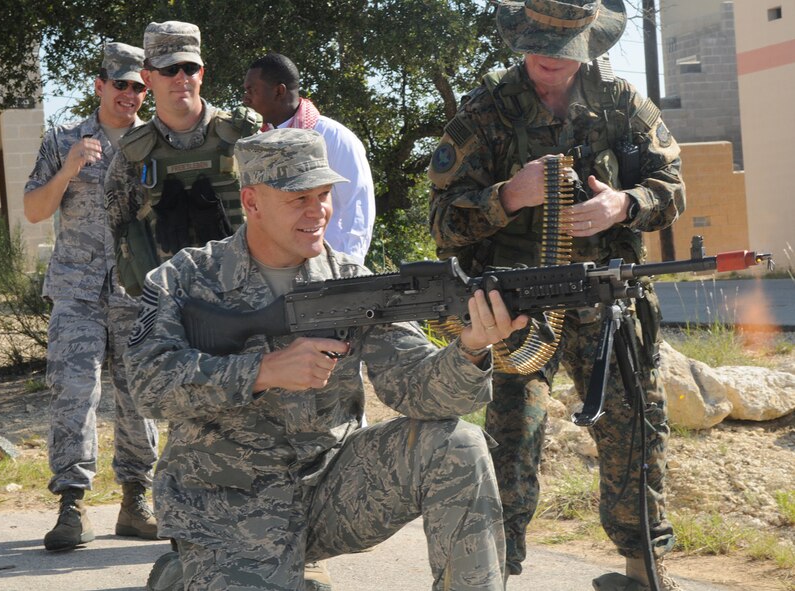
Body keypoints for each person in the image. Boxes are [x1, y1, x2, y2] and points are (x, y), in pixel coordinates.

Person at [127, 127, 524, 590]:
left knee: (459, 444)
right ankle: (185, 575)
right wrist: (262, 372)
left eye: (324, 195)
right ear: (252, 202)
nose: (318, 212)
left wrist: (472, 347)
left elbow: (418, 389)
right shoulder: (185, 278)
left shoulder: (351, 282)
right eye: (299, 199)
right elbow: (148, 385)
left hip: (331, 489)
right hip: (225, 504)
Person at [427, 1, 686, 590]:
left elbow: (671, 187)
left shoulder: (621, 102)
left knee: (635, 425)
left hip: (607, 299)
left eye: (563, 46)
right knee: (512, 437)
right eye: (538, 42)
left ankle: (645, 566)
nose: (550, 58)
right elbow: (442, 222)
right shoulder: (485, 111)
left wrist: (623, 204)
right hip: (516, 310)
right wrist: (509, 197)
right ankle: (489, 573)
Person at [23, 42, 159, 552]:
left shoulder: (155, 143)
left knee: (139, 396)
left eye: (138, 86)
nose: (129, 94)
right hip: (76, 291)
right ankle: (72, 506)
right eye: (119, 84)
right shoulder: (63, 139)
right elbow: (35, 210)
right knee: (73, 393)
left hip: (136, 292)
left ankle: (135, 501)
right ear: (99, 86)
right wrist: (69, 169)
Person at [105, 20, 261, 298]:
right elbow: (120, 234)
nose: (181, 78)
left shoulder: (245, 138)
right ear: (148, 78)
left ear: (201, 73)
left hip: (248, 296)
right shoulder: (131, 155)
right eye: (169, 69)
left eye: (189, 68)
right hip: (171, 305)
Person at [243, 53, 375, 264]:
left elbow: (357, 207)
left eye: (252, 90)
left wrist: (348, 269)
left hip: (327, 270)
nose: (245, 98)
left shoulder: (333, 137)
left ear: (279, 91)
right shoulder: (256, 142)